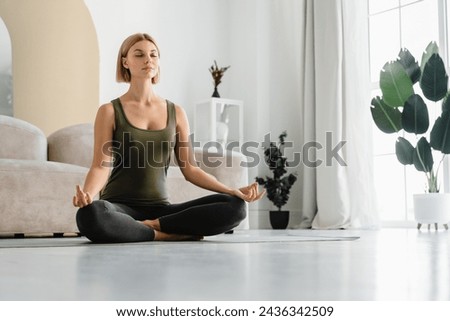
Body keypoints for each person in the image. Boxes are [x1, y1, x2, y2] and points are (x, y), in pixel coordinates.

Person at [73, 33, 264, 242]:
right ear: (125, 62)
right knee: (90, 215)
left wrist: (231, 190)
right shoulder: (109, 111)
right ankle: (165, 234)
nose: (148, 60)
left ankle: (153, 227)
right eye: (139, 55)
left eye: (153, 55)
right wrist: (89, 196)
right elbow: (101, 166)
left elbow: (190, 169)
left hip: (162, 211)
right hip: (119, 208)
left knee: (236, 207)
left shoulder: (176, 112)